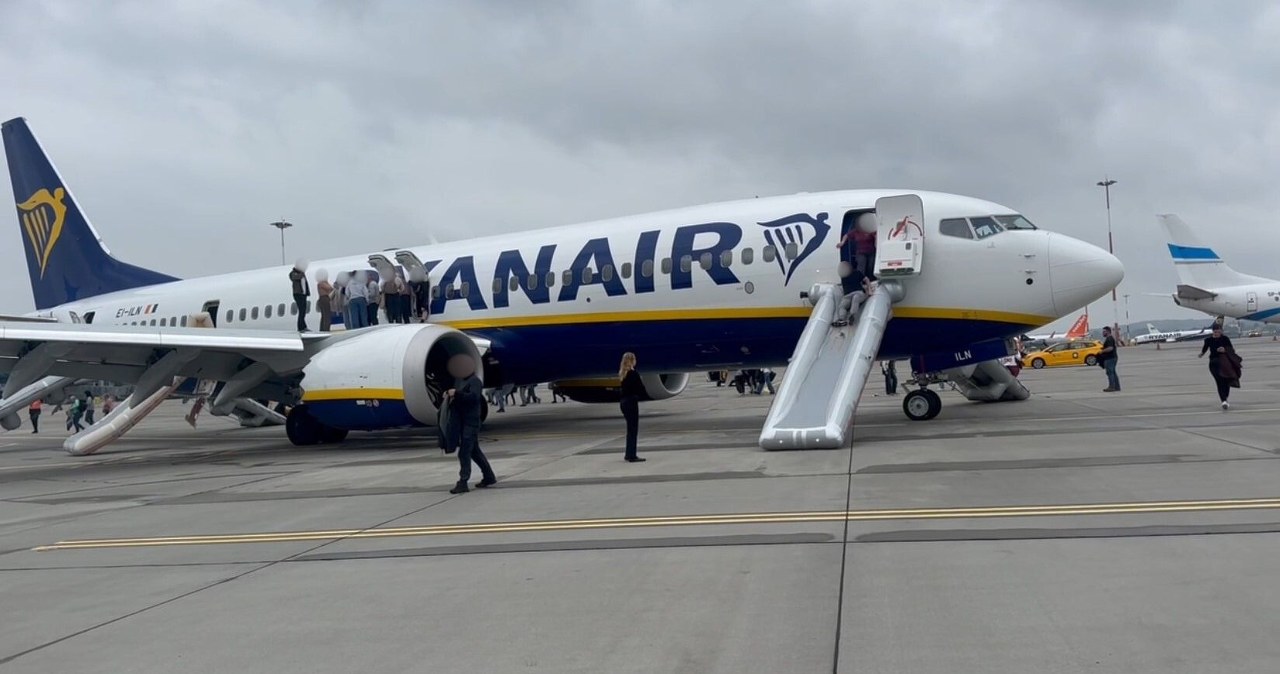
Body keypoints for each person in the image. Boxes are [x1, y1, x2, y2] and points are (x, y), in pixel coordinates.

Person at [445, 354, 496, 494]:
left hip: (471, 422)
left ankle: (463, 481)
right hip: (466, 421)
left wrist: (457, 394)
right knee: (475, 452)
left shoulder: (474, 382)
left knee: (464, 453)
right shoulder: (464, 381)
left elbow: (473, 398)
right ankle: (489, 476)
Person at [1200, 324, 1241, 410]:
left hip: (1225, 363)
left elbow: (1232, 350)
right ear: (1213, 331)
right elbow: (1204, 349)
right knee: (1219, 381)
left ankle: (1225, 397)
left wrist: (1224, 349)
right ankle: (1223, 401)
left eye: (1219, 332)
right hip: (1214, 363)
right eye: (1215, 332)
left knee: (1226, 381)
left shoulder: (1225, 339)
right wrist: (1201, 354)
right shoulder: (1208, 340)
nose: (1217, 333)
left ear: (1221, 331)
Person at [619, 352, 645, 462]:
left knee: (630, 429)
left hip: (624, 402)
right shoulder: (634, 374)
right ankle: (631, 455)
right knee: (633, 430)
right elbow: (641, 389)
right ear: (633, 360)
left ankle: (628, 453)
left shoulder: (622, 373)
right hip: (631, 401)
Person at [288, 259, 310, 332]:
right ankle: (300, 327)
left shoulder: (302, 273)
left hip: (303, 294)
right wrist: (302, 273)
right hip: (298, 294)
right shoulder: (293, 273)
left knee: (303, 311)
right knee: (301, 311)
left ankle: (303, 326)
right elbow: (294, 278)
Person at [1099, 326, 1120, 392]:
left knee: (1110, 372)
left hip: (1110, 358)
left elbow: (1110, 348)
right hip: (1113, 357)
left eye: (1104, 331)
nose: (1103, 333)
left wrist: (1102, 351)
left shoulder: (1109, 339)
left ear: (1107, 331)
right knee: (1113, 372)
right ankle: (1116, 386)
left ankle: (1112, 387)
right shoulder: (1110, 339)